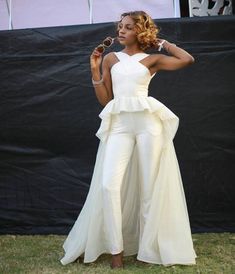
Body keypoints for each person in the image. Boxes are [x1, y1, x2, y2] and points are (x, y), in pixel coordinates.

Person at [60, 10, 197, 269]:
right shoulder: (111, 58)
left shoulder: (152, 60)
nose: (121, 31)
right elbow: (106, 100)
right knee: (109, 186)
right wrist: (94, 68)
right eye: (120, 27)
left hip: (148, 124)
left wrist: (162, 43)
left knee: (148, 189)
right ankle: (116, 252)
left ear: (140, 31)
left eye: (128, 27)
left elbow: (187, 59)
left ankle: (146, 250)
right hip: (120, 124)